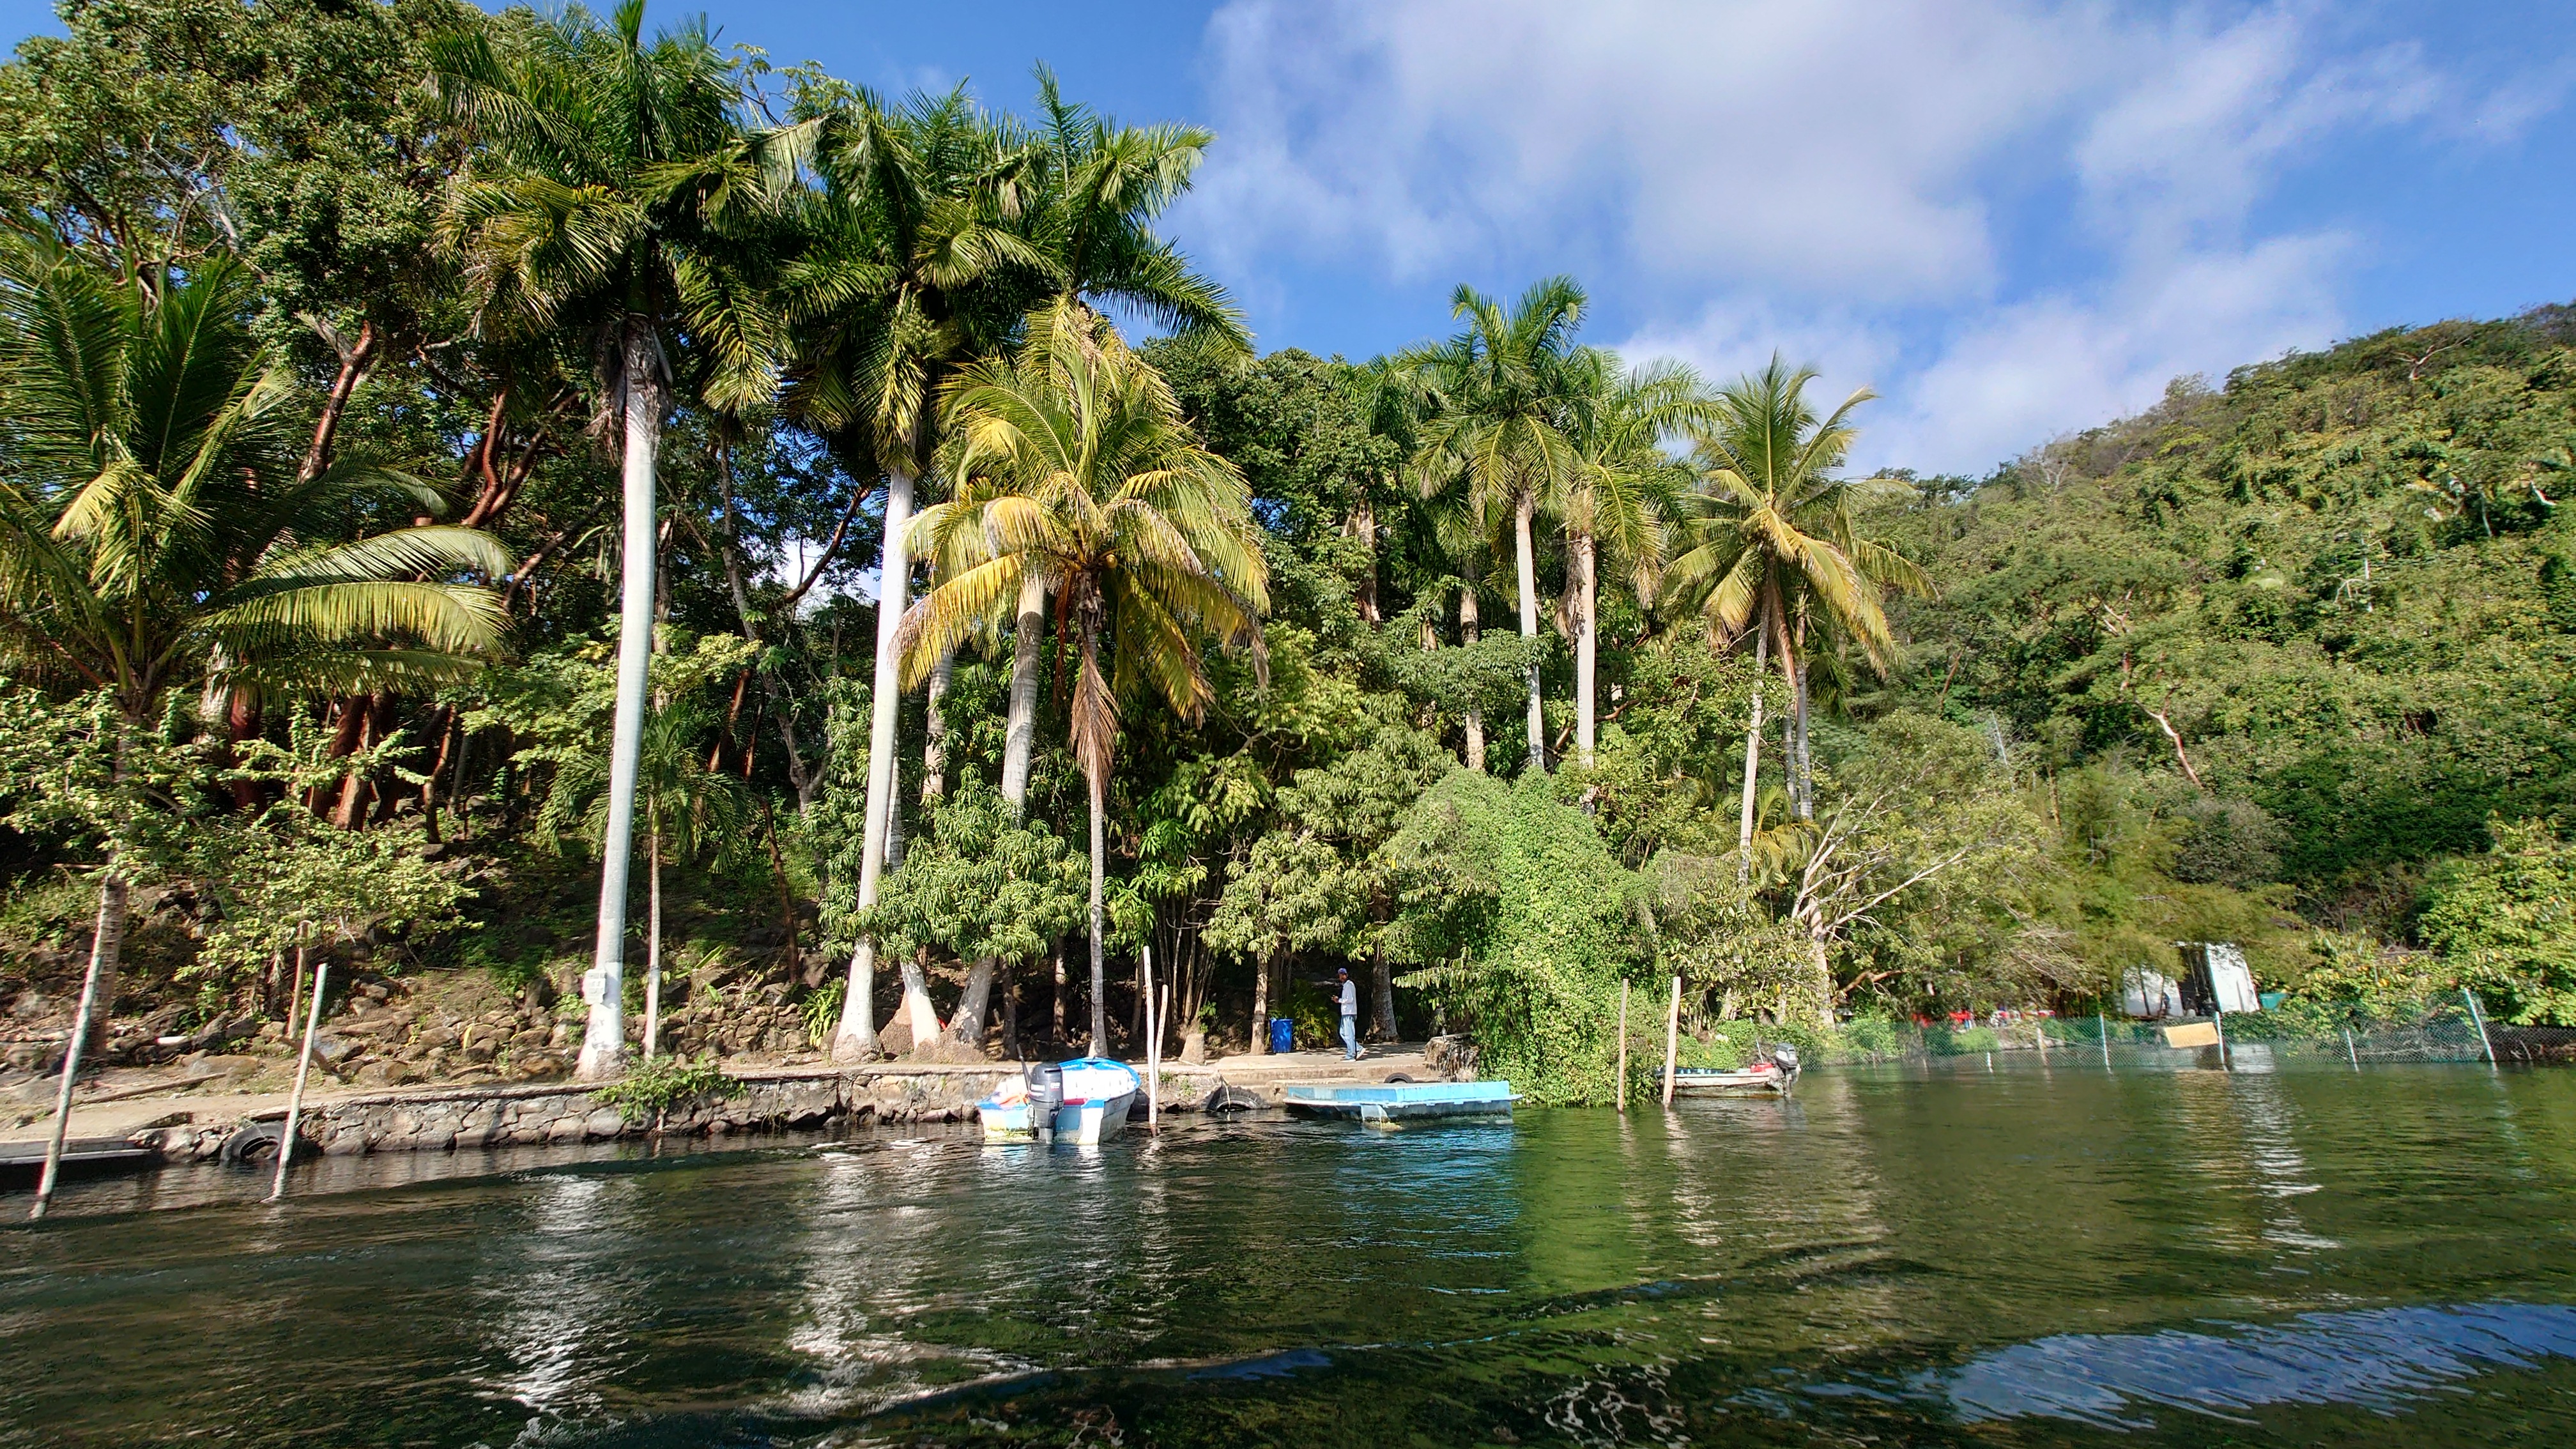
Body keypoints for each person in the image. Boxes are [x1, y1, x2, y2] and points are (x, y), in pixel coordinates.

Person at [1337, 967, 1360, 1061]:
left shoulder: (1349, 985)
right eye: (1340, 975)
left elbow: (1350, 1000)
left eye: (1343, 975)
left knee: (1349, 1034)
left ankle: (1351, 1055)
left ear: (1346, 975)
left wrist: (1339, 1000)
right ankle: (1358, 1048)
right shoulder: (1345, 986)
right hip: (1346, 1013)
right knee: (1342, 1032)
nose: (1342, 977)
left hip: (1349, 1013)